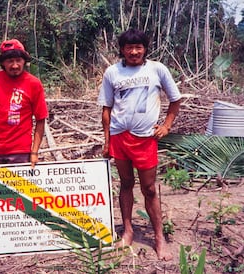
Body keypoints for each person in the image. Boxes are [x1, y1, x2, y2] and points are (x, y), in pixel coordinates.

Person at [97, 29, 181, 261]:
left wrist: (167, 126)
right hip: (119, 136)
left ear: (145, 48)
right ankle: (128, 231)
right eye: (129, 48)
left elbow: (175, 99)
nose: (134, 52)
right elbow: (106, 108)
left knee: (150, 188)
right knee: (125, 184)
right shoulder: (112, 72)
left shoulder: (157, 69)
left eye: (138, 47)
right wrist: (106, 141)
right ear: (122, 50)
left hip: (145, 138)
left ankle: (159, 238)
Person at [0, 39, 48, 167]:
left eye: (18, 60)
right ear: (3, 63)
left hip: (21, 151)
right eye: (10, 61)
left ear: (24, 61)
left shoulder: (34, 84)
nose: (15, 65)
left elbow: (40, 119)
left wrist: (34, 152)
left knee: (19, 187)